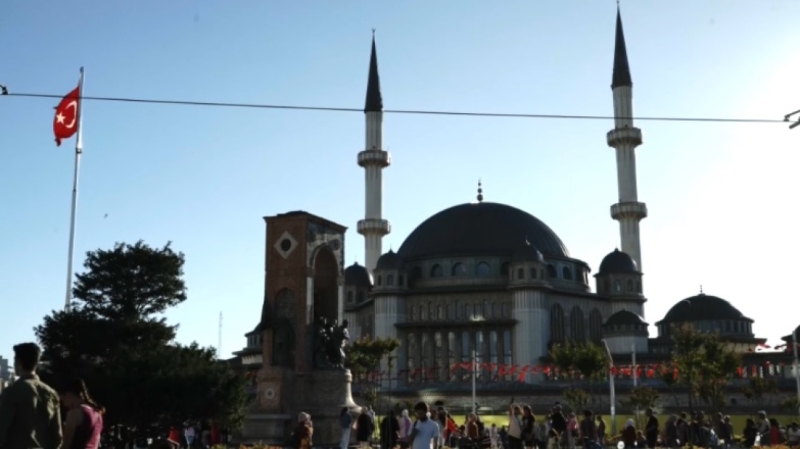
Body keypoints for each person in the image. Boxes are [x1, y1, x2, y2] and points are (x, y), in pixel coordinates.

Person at [0, 342, 62, 449]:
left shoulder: (12, 391)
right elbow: (57, 437)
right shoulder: (51, 393)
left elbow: (2, 427)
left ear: (18, 362)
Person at [60, 378, 104, 449]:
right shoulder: (98, 414)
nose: (61, 398)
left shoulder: (74, 413)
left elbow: (65, 445)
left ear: (71, 394)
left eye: (64, 394)